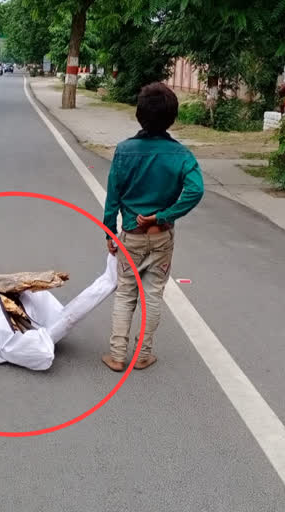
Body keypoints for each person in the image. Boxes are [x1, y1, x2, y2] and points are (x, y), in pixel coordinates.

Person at [101, 82, 204, 372]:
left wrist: (110, 231)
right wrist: (164, 216)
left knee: (125, 293)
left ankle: (118, 355)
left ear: (138, 115)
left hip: (131, 237)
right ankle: (143, 354)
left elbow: (114, 196)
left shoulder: (124, 151)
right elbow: (196, 190)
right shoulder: (181, 155)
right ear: (172, 118)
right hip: (161, 238)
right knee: (153, 294)